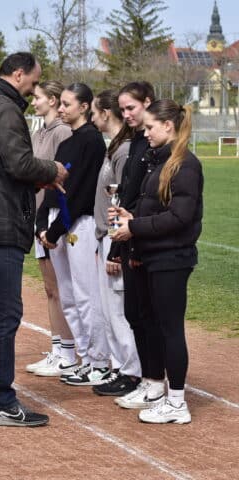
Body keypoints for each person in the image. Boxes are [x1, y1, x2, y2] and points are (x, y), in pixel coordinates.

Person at [0, 52, 67, 427]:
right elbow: (18, 163)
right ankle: (1, 401)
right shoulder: (5, 109)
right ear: (18, 74)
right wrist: (52, 169)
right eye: (33, 82)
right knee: (3, 314)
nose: (34, 90)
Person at [110, 99, 202, 424]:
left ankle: (176, 402)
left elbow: (179, 217)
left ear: (168, 126)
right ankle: (154, 388)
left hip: (172, 257)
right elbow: (155, 208)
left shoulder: (185, 165)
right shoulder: (159, 161)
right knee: (150, 322)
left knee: (170, 329)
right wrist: (130, 216)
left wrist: (134, 226)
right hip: (153, 254)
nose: (145, 133)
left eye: (150, 127)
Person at [37, 83, 110, 386]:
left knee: (85, 294)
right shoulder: (68, 141)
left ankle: (100, 362)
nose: (62, 108)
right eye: (62, 103)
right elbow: (51, 187)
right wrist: (43, 222)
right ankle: (85, 357)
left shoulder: (91, 141)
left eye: (67, 104)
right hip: (58, 220)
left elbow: (80, 192)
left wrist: (55, 230)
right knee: (67, 295)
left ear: (84, 107)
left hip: (78, 223)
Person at [110, 82, 164, 410]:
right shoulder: (135, 143)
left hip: (144, 236)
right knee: (133, 312)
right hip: (128, 235)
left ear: (148, 102)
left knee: (148, 315)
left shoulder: (157, 148)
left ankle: (156, 381)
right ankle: (148, 379)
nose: (127, 114)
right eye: (123, 109)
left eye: (131, 107)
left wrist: (134, 227)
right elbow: (127, 191)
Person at [89, 89, 141, 396]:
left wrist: (115, 248)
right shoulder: (115, 148)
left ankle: (132, 371)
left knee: (118, 309)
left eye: (95, 113)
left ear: (106, 113)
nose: (92, 119)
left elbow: (121, 201)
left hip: (114, 240)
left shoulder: (124, 151)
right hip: (105, 237)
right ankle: (122, 367)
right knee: (110, 309)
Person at [24, 80, 75, 377]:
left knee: (60, 287)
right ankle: (58, 349)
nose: (34, 102)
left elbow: (65, 177)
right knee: (49, 288)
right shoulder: (38, 133)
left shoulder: (63, 132)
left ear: (53, 100)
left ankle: (68, 351)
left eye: (38, 98)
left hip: (55, 218)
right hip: (38, 217)